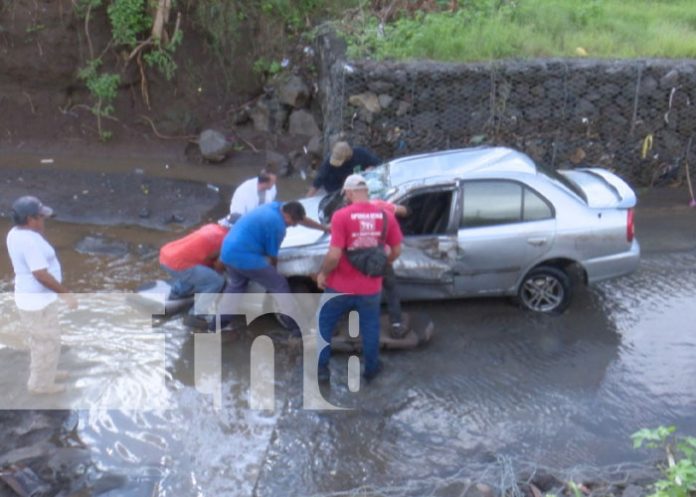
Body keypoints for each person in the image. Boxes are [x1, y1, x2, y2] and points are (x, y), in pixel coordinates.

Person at [316, 174, 403, 383]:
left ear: (348, 193)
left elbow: (334, 255)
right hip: (370, 287)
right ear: (366, 192)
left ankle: (321, 370)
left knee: (324, 324)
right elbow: (397, 250)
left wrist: (323, 274)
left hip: (339, 286)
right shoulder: (386, 216)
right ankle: (371, 370)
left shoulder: (341, 216)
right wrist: (384, 264)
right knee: (370, 327)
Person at [6, 196, 77, 395]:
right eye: (40, 217)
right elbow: (40, 274)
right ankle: (40, 385)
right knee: (45, 343)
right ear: (30, 219)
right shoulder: (29, 241)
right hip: (35, 303)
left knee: (49, 340)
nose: (44, 220)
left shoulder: (15, 233)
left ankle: (48, 373)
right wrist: (66, 294)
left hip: (37, 300)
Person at [218, 201, 308, 333]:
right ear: (288, 217)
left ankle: (220, 322)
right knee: (279, 285)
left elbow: (303, 219)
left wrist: (323, 228)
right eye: (293, 224)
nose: (292, 226)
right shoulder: (278, 227)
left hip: (228, 251)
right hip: (245, 256)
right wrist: (274, 274)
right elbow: (272, 257)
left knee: (237, 285)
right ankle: (296, 327)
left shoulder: (274, 206)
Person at [159, 218, 231, 308]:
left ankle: (176, 295)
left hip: (166, 255)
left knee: (195, 273)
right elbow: (219, 266)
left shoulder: (212, 227)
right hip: (179, 263)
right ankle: (199, 314)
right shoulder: (228, 239)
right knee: (216, 281)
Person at [306, 141, 381, 197]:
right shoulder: (328, 162)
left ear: (348, 157)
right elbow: (318, 180)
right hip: (335, 187)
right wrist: (308, 197)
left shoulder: (360, 153)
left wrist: (370, 169)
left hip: (357, 182)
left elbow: (378, 163)